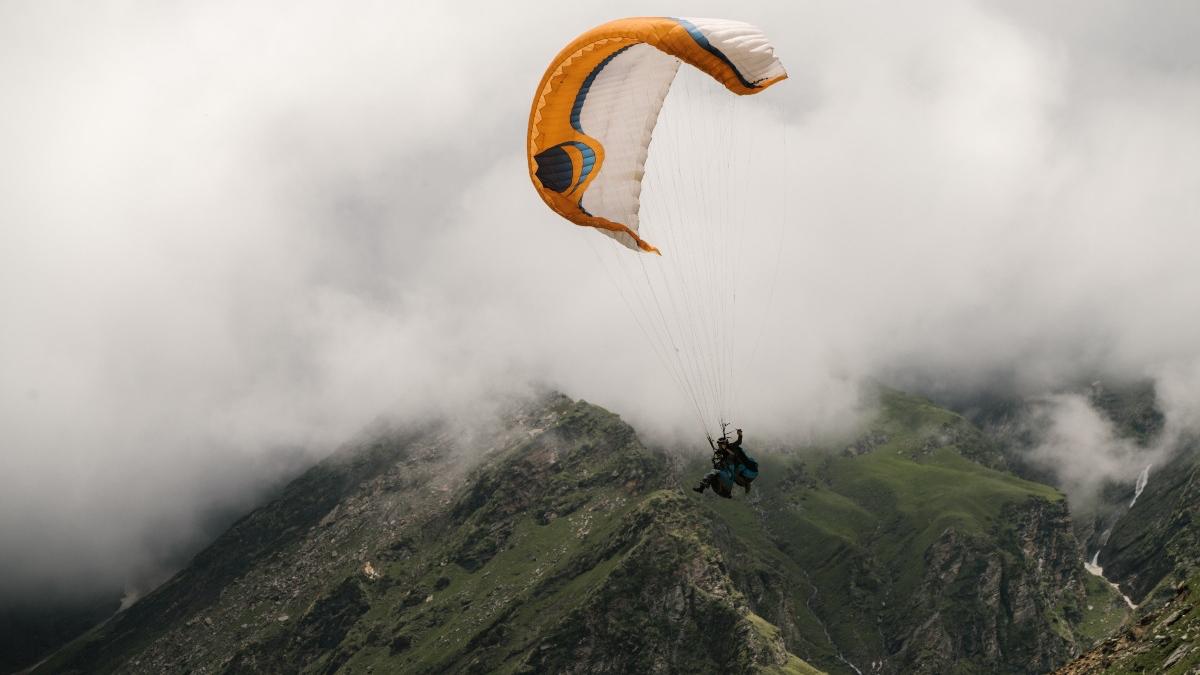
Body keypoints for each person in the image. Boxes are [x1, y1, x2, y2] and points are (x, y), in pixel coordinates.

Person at [692, 428, 758, 497]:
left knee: (733, 475)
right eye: (719, 445)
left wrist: (740, 435)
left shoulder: (731, 446)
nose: (719, 446)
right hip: (732, 468)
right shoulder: (721, 451)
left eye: (720, 445)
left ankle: (744, 484)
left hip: (739, 466)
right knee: (718, 472)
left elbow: (738, 444)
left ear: (724, 444)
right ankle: (702, 488)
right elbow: (721, 458)